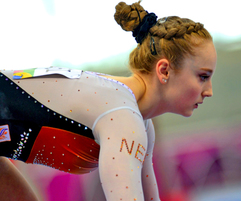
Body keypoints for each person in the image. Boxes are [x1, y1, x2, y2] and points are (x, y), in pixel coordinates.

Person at [0, 1, 217, 200]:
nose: (209, 91)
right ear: (164, 70)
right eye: (203, 77)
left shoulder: (139, 121)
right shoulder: (121, 116)